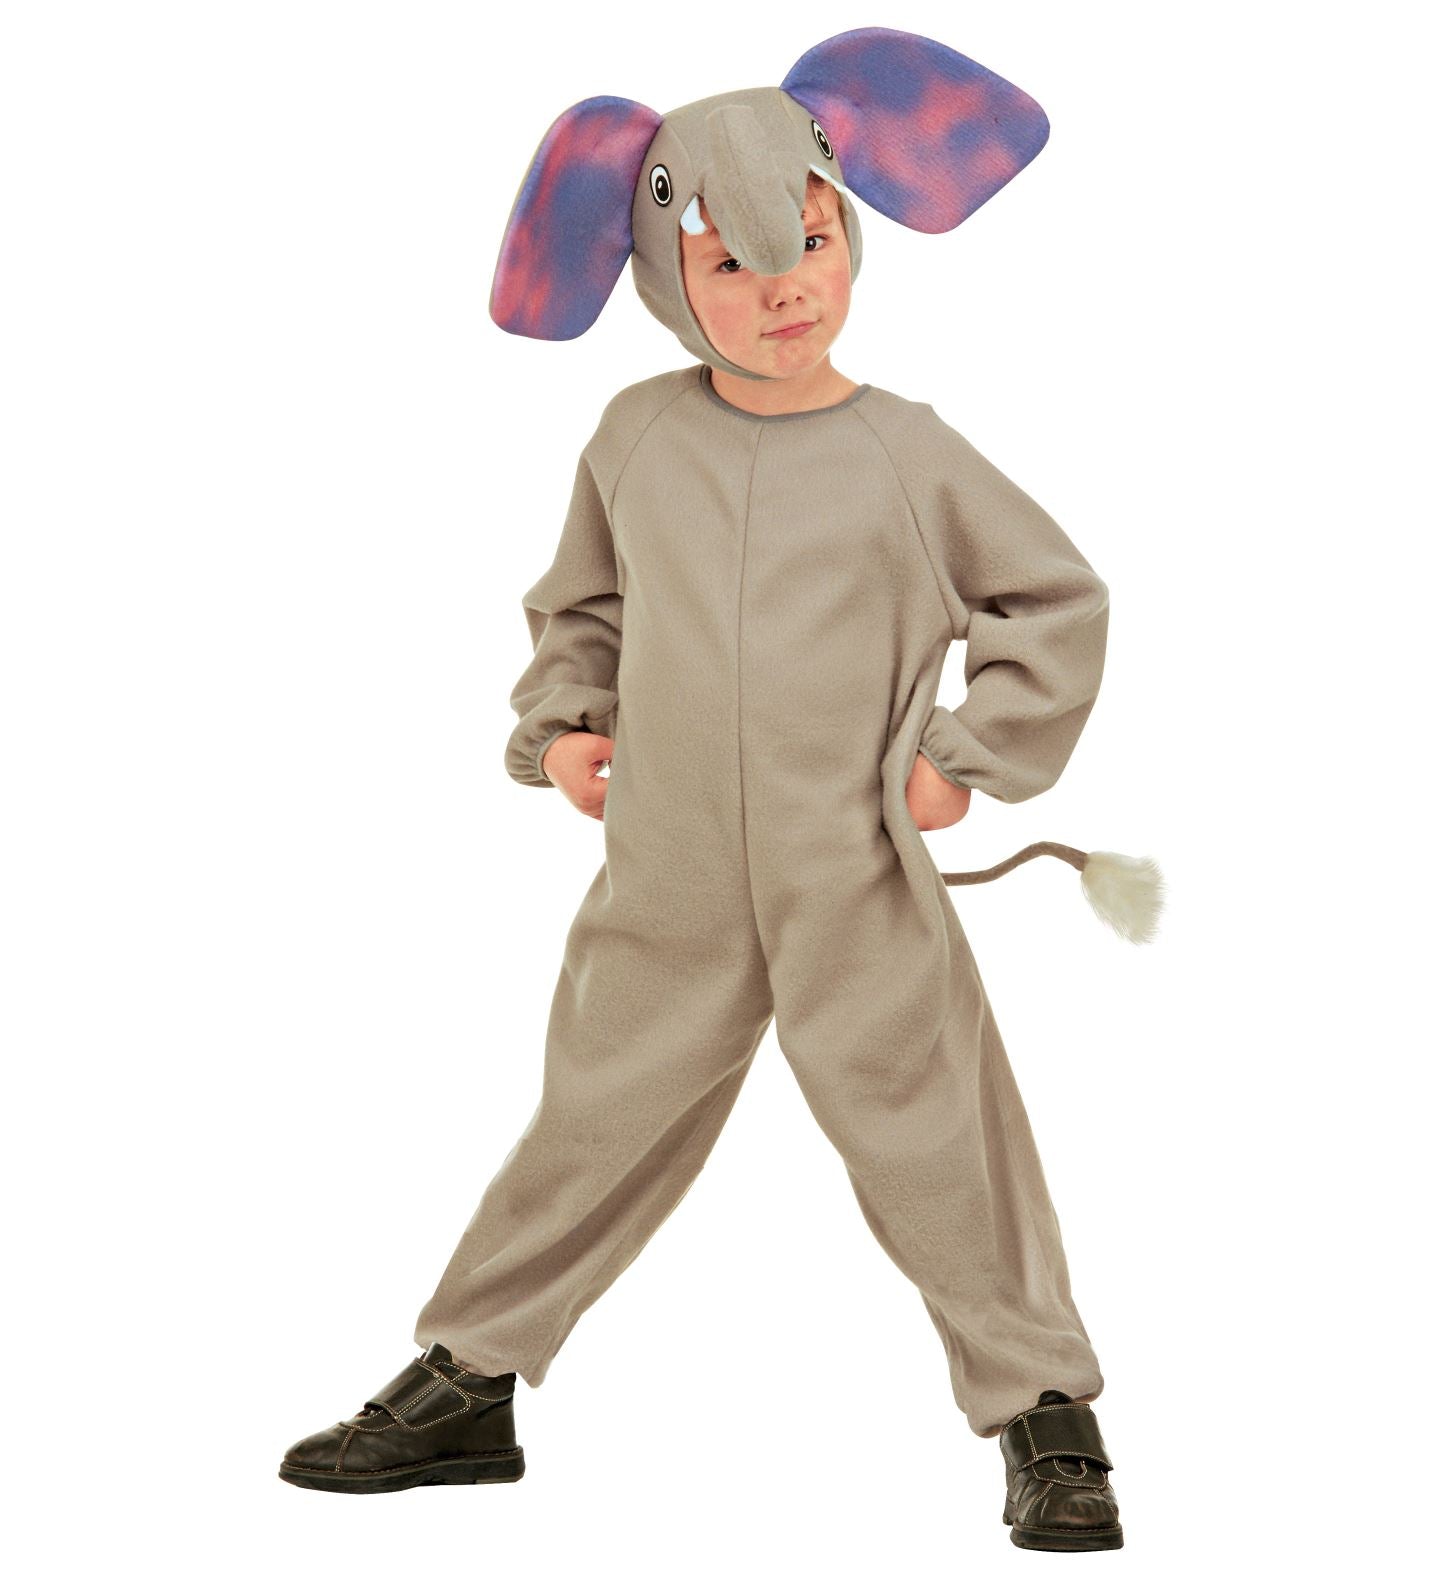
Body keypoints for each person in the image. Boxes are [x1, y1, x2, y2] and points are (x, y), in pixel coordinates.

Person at [280, 34, 1125, 1552]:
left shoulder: (910, 455)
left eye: (809, 239)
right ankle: (472, 1378)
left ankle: (1045, 1410)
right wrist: (565, 724)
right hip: (666, 865)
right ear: (661, 277)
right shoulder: (636, 438)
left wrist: (967, 757)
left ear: (850, 230)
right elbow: (584, 606)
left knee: (940, 1134)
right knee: (590, 1120)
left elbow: (1053, 601)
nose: (784, 285)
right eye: (731, 262)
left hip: (850, 863)